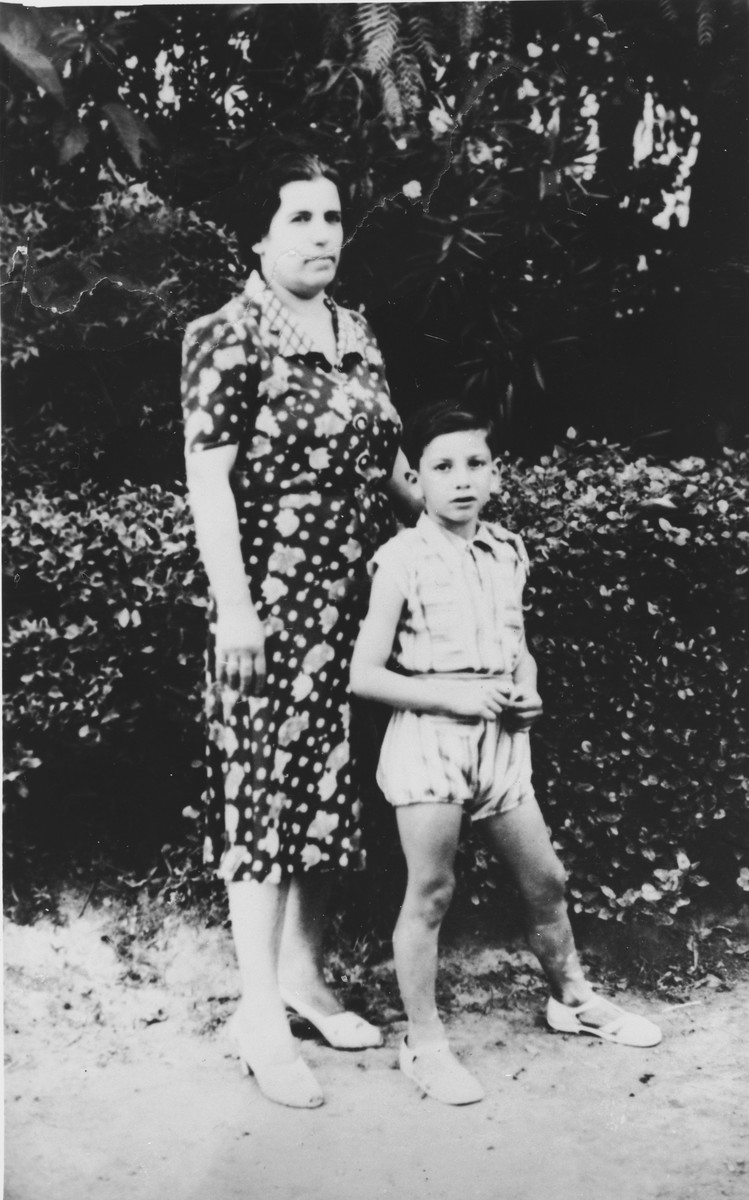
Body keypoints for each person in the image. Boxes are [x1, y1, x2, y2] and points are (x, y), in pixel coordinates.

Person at [182, 152, 413, 1108]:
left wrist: (453, 511)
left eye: (331, 217)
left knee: (325, 796)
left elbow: (389, 459)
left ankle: (302, 977)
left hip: (346, 613)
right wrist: (235, 608)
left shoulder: (355, 331)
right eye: (300, 219)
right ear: (261, 237)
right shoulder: (224, 335)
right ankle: (258, 1016)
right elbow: (208, 484)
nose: (322, 233)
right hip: (267, 614)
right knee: (261, 802)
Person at [350, 402, 662, 1106]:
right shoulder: (401, 559)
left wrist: (528, 691)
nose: (460, 480)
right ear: (416, 480)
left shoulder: (507, 549)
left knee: (544, 878)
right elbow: (363, 674)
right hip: (431, 743)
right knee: (430, 892)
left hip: (503, 746)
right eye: (441, 467)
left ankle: (571, 999)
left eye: (474, 464)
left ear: (494, 475)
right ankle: (422, 1042)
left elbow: (518, 649)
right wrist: (453, 698)